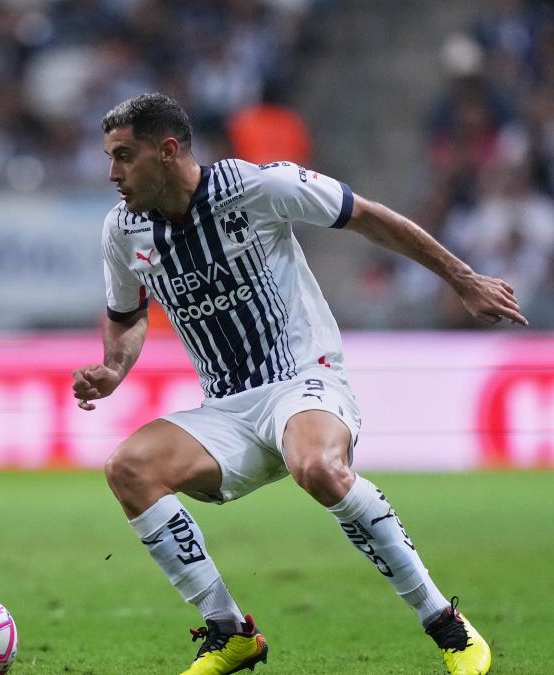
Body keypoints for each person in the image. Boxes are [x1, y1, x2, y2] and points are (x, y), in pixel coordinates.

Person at [73, 93, 525, 675]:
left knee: (317, 468)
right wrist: (113, 368)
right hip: (228, 409)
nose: (112, 173)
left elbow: (365, 215)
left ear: (167, 151)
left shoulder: (258, 187)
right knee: (127, 468)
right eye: (110, 157)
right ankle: (230, 632)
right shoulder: (123, 231)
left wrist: (462, 279)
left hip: (305, 379)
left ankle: (446, 623)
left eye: (123, 156)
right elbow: (127, 313)